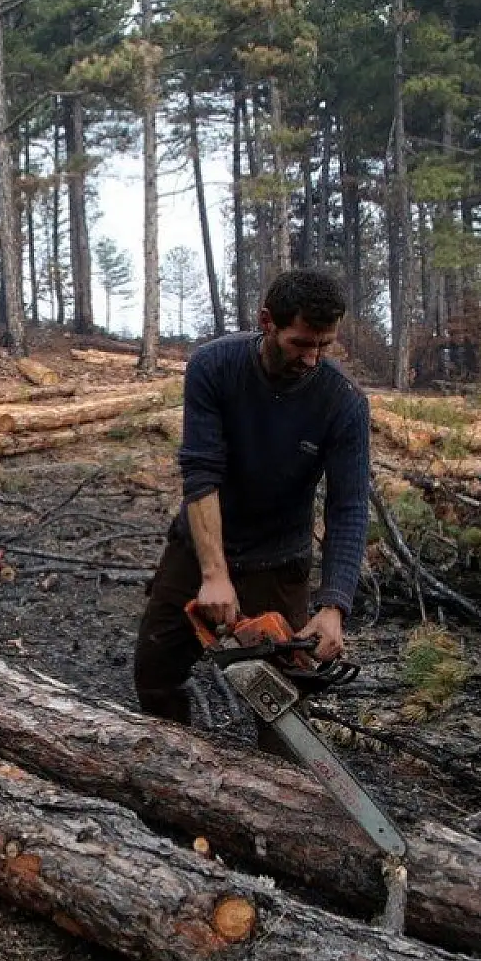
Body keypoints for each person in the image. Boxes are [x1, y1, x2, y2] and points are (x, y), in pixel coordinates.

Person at [132, 269, 370, 728]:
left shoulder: (343, 402)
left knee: (284, 704)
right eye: (301, 343)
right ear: (267, 323)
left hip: (279, 560)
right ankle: (171, 772)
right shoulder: (214, 367)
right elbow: (201, 472)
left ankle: (272, 787)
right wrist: (214, 574)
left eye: (324, 345)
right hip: (199, 548)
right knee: (155, 674)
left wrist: (334, 605)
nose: (312, 358)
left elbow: (349, 507)